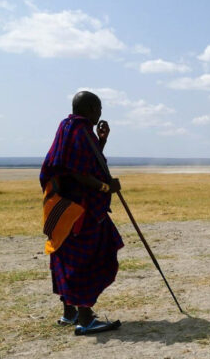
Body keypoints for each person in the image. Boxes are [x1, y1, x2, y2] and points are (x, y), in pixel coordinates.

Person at [40, 90, 124, 335]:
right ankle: (85, 318)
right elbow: (77, 172)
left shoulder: (68, 128)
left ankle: (70, 312)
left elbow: (83, 161)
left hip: (63, 210)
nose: (100, 113)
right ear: (88, 108)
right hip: (81, 212)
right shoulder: (79, 130)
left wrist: (101, 141)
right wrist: (107, 186)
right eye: (98, 108)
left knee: (65, 256)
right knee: (93, 256)